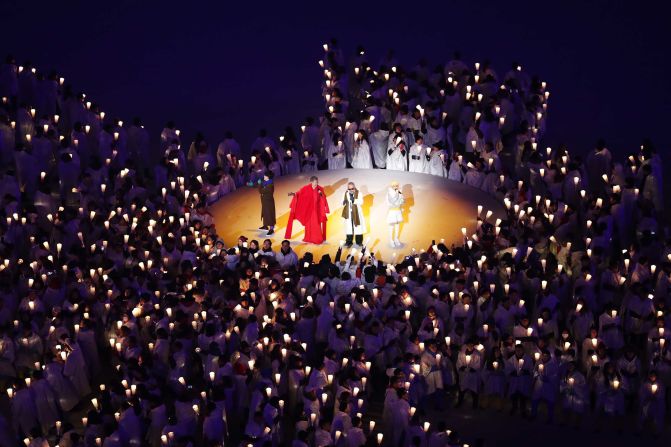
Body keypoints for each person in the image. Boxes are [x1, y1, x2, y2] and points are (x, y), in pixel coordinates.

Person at [285, 176, 329, 244]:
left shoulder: (319, 189)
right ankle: (308, 238)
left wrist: (321, 194)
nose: (316, 183)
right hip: (308, 209)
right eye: (314, 182)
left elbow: (323, 198)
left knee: (316, 224)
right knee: (308, 224)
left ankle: (317, 239)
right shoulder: (306, 188)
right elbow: (299, 193)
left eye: (317, 182)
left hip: (316, 210)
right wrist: (293, 194)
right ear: (311, 182)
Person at [251, 171, 276, 236]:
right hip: (265, 201)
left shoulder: (270, 185)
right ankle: (265, 226)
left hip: (269, 202)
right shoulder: (265, 182)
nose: (263, 176)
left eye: (265, 176)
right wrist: (251, 185)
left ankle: (271, 229)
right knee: (265, 212)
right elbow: (259, 185)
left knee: (270, 214)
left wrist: (259, 184)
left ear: (268, 177)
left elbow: (261, 190)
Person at [341, 182, 365, 247]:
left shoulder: (359, 193)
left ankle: (359, 242)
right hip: (349, 213)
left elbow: (361, 202)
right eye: (349, 189)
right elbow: (342, 201)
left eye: (352, 188)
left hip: (357, 213)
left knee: (358, 227)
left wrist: (354, 200)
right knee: (349, 228)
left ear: (354, 187)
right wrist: (343, 202)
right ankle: (349, 242)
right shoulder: (346, 193)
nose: (351, 190)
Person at [386, 181, 404, 247]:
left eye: (396, 185)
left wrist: (400, 195)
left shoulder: (399, 192)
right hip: (392, 211)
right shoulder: (389, 193)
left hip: (398, 211)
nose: (395, 187)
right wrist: (397, 195)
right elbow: (391, 201)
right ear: (391, 186)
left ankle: (396, 239)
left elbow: (402, 201)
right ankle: (391, 240)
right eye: (394, 186)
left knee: (397, 226)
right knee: (391, 226)